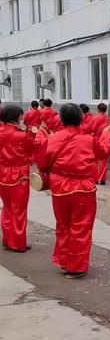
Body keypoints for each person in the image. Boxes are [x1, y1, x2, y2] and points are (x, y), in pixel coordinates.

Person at [35, 103, 110, 279]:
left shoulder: (52, 139)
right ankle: (75, 266)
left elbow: (42, 163)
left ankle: (64, 260)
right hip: (83, 189)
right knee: (81, 227)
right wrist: (106, 135)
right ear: (81, 118)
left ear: (61, 119)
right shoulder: (89, 140)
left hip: (60, 187)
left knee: (63, 225)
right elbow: (104, 153)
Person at [0, 105, 36, 253]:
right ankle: (18, 242)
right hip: (18, 173)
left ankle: (8, 239)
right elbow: (34, 148)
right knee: (19, 209)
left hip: (2, 171)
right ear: (16, 117)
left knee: (7, 207)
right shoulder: (21, 135)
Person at [92, 103, 110, 185]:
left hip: (96, 140)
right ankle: (102, 179)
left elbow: (92, 129)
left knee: (95, 161)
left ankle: (96, 178)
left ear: (98, 109)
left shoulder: (95, 118)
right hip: (105, 140)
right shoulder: (109, 119)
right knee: (104, 160)